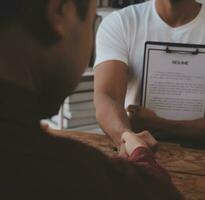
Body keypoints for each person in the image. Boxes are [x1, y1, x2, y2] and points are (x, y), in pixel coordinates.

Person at [0, 0, 183, 199]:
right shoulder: (70, 173)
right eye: (91, 22)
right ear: (60, 11)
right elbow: (159, 193)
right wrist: (140, 150)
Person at [94, 0, 205, 148]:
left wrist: (163, 127)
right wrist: (126, 137)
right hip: (135, 155)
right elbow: (107, 96)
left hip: (202, 163)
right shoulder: (121, 23)